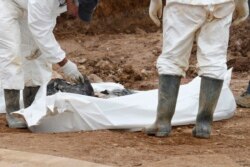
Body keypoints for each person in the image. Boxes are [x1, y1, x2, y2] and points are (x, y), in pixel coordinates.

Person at [145, 0, 249, 138]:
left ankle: (162, 122)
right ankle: (204, 124)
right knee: (214, 60)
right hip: (221, 4)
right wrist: (242, 3)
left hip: (182, 4)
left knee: (172, 58)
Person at [0, 0, 98, 128]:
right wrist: (65, 64)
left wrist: (44, 47)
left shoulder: (63, 2)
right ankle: (13, 113)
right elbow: (41, 31)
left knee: (35, 54)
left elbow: (47, 21)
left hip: (30, 9)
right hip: (8, 4)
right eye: (77, 10)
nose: (75, 15)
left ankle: (31, 108)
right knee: (12, 53)